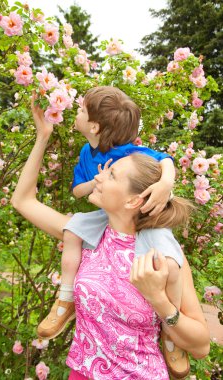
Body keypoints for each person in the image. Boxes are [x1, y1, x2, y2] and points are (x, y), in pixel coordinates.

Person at [11, 103, 210, 379]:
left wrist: (160, 301)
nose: (100, 176)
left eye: (113, 174)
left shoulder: (161, 257)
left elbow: (201, 346)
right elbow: (22, 201)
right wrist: (42, 136)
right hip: (81, 372)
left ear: (133, 200)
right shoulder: (88, 236)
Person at [37, 86, 175, 342]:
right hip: (110, 214)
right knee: (71, 232)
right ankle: (65, 298)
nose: (75, 112)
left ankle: (170, 335)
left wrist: (166, 183)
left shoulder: (127, 152)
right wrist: (98, 180)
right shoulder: (85, 153)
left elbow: (164, 158)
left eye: (80, 110)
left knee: (169, 265)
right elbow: (78, 191)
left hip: (144, 216)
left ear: (95, 127)